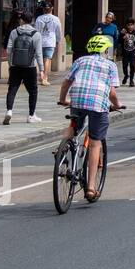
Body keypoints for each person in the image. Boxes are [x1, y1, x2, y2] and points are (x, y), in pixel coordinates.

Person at [57, 34, 122, 201]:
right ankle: (91, 187)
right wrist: (116, 105)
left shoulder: (80, 61)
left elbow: (66, 82)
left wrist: (63, 99)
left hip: (77, 99)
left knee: (74, 124)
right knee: (94, 144)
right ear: (105, 50)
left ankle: (62, 150)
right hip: (98, 103)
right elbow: (112, 93)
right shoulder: (110, 65)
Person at [2, 11, 42, 125]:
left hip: (15, 66)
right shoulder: (36, 34)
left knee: (12, 89)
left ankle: (9, 110)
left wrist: (10, 64)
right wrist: (42, 69)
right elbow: (39, 53)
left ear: (21, 20)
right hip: (30, 66)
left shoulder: (14, 32)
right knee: (33, 91)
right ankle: (31, 115)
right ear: (32, 21)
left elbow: (9, 50)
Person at [33, 4, 62, 86]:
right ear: (52, 8)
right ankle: (45, 77)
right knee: (47, 59)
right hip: (50, 41)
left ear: (43, 9)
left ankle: (41, 73)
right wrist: (58, 40)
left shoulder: (39, 18)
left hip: (40, 41)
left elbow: (36, 30)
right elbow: (58, 31)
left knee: (38, 59)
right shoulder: (55, 19)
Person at [118, 18, 135, 87]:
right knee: (124, 66)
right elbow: (119, 41)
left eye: (132, 25)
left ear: (134, 25)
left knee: (132, 66)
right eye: (129, 25)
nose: (130, 26)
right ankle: (126, 75)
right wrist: (122, 35)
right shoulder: (123, 32)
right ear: (127, 25)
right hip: (125, 53)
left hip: (132, 53)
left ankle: (131, 80)